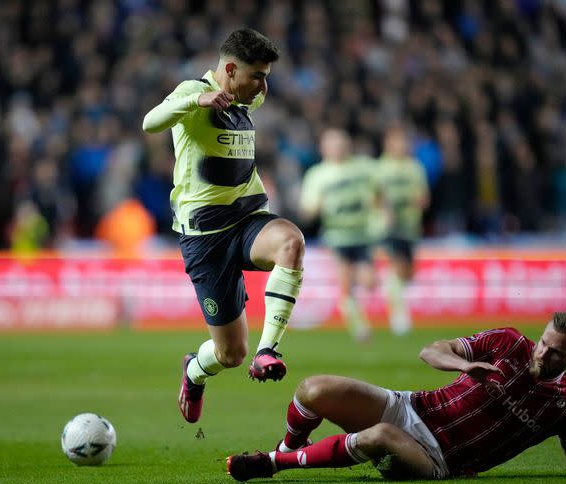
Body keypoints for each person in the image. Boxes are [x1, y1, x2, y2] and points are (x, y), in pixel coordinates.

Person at [227, 311, 566, 481]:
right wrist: (462, 366)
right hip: (413, 407)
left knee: (381, 435)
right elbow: (430, 350)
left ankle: (274, 464)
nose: (543, 352)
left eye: (557, 351)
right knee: (312, 389)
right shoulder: (508, 342)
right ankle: (287, 446)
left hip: (438, 458)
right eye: (544, 341)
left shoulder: (565, 404)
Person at [142, 28, 305, 424]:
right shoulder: (191, 92)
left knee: (291, 243)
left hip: (248, 219)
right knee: (231, 354)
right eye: (257, 76)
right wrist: (197, 99)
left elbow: (254, 92)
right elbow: (150, 122)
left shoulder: (250, 96)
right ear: (230, 69)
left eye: (266, 75)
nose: (263, 86)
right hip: (204, 238)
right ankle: (194, 372)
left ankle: (270, 351)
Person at [299, 129, 382, 342]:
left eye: (340, 143)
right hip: (337, 236)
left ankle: (356, 312)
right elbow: (308, 208)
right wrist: (313, 208)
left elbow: (380, 193)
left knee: (369, 281)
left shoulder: (364, 168)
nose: (337, 148)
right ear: (324, 148)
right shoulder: (317, 174)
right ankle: (359, 326)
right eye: (332, 144)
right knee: (346, 283)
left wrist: (381, 215)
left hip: (362, 233)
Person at [373, 124, 429, 335]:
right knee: (396, 264)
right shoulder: (379, 168)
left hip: (409, 225)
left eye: (404, 141)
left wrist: (415, 202)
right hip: (387, 226)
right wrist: (384, 208)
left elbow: (424, 197)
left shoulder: (414, 167)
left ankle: (392, 290)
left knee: (408, 273)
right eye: (397, 141)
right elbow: (373, 197)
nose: (401, 145)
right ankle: (398, 316)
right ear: (387, 143)